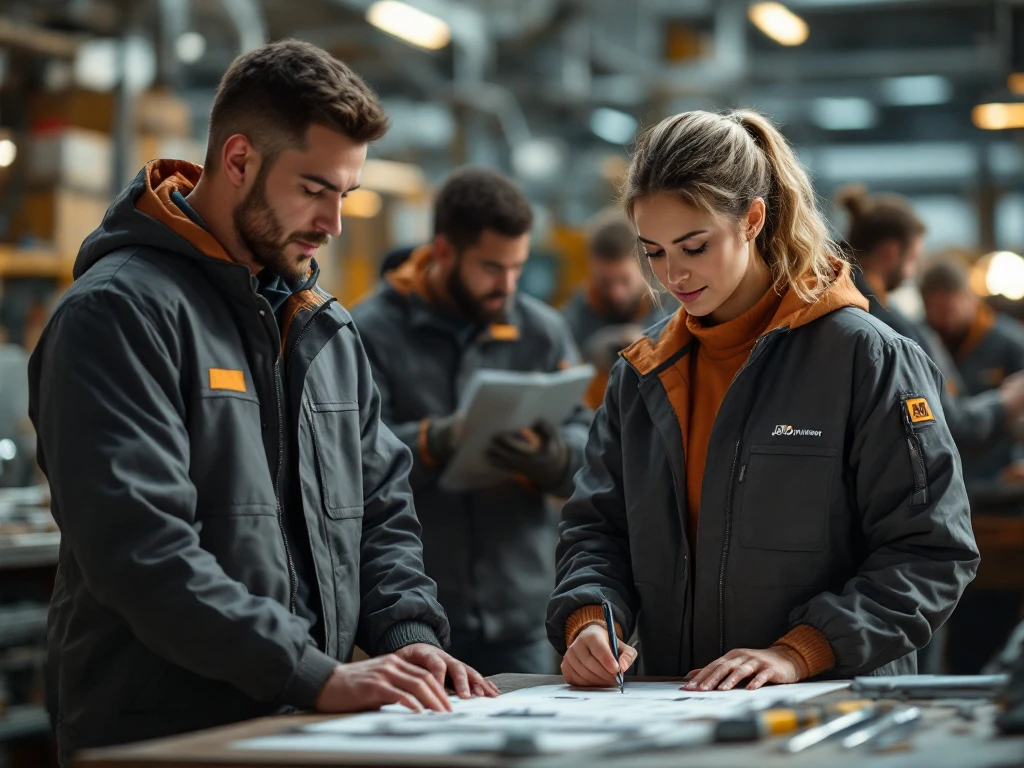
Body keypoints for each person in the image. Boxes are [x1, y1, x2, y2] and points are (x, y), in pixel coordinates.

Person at [28, 40, 495, 764]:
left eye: (347, 195)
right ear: (239, 160)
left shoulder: (323, 328)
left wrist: (413, 640)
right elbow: (140, 548)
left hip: (307, 722)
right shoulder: (118, 315)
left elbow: (381, 513)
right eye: (314, 189)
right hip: (164, 731)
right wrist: (312, 674)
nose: (334, 223)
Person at [547, 109, 978, 690]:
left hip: (830, 713)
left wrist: (801, 652)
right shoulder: (643, 375)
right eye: (652, 251)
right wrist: (589, 620)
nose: (673, 274)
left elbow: (931, 552)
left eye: (694, 247)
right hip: (676, 710)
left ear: (752, 219)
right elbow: (596, 531)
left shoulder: (864, 359)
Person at [351, 167, 591, 675]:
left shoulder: (542, 332)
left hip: (521, 613)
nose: (506, 285)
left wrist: (554, 459)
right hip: (417, 613)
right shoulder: (370, 332)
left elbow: (588, 446)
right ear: (442, 252)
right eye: (490, 267)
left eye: (516, 268)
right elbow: (351, 458)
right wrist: (434, 440)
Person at [837, 186, 1024, 458]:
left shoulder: (830, 299)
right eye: (913, 259)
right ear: (891, 253)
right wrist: (1008, 402)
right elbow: (949, 425)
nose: (912, 272)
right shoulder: (891, 327)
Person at [920, 258, 1024, 675]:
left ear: (969, 297)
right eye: (934, 309)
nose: (942, 318)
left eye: (950, 307)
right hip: (952, 499)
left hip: (1004, 501)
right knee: (960, 629)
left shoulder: (1010, 343)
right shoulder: (923, 340)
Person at [562, 212, 669, 409]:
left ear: (644, 265)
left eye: (624, 281)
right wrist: (589, 355)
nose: (616, 294)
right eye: (605, 282)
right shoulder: (572, 319)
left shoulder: (672, 309)